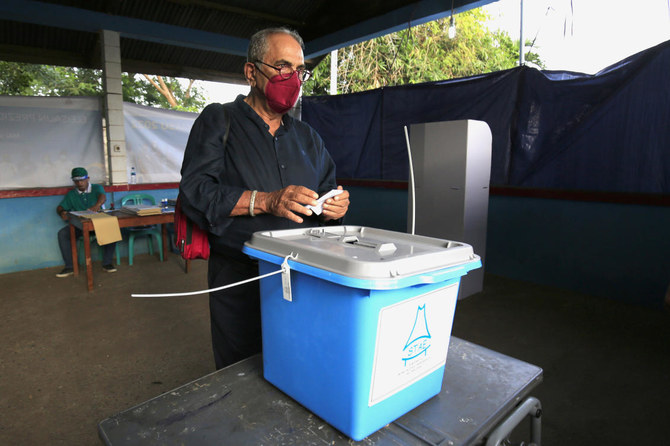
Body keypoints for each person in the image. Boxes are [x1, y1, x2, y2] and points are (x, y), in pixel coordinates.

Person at [179, 27, 350, 369]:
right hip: (240, 277)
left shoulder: (308, 138)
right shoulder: (219, 120)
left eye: (300, 70)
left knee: (296, 361)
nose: (294, 78)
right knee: (242, 368)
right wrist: (266, 201)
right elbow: (196, 192)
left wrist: (335, 209)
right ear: (251, 72)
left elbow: (330, 190)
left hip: (303, 277)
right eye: (283, 66)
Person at [56, 167, 117, 277]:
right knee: (62, 234)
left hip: (99, 224)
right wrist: (62, 213)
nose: (79, 183)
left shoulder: (97, 188)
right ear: (73, 181)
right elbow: (60, 207)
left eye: (82, 180)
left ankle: (107, 263)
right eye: (76, 181)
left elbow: (102, 197)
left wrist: (97, 206)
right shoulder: (71, 195)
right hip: (80, 226)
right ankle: (70, 267)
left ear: (88, 178)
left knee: (111, 227)